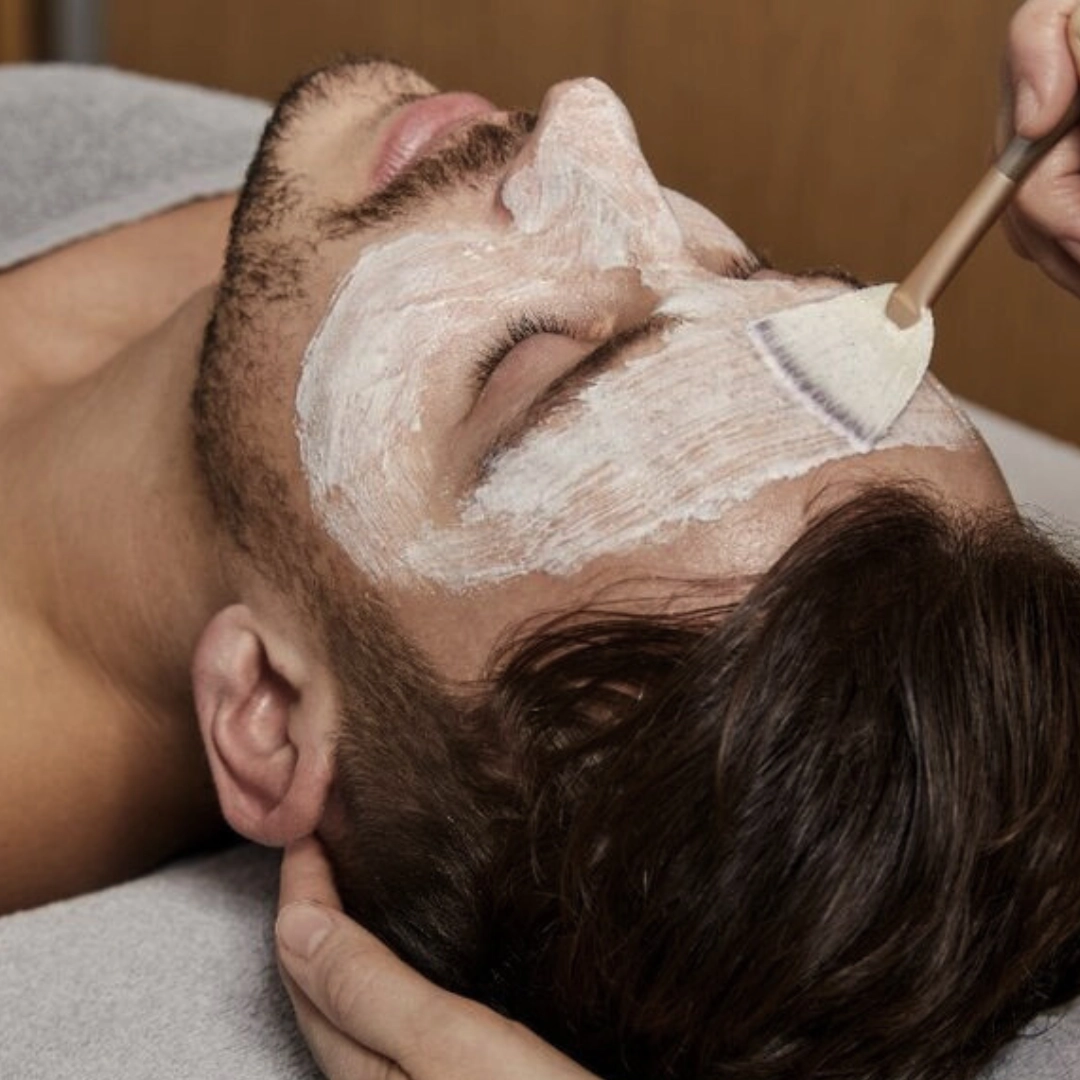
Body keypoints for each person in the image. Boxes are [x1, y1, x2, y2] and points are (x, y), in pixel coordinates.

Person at [2, 5, 1079, 1080]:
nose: (589, 124)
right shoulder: (316, 229)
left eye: (536, 355)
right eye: (746, 271)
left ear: (268, 713)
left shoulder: (346, 218)